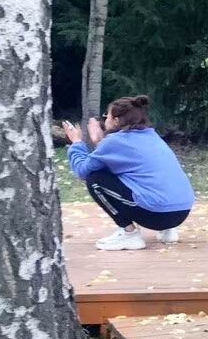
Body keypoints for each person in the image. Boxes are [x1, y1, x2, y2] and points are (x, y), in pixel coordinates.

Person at [61, 95, 196, 250]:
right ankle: (168, 231)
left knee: (95, 180)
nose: (104, 121)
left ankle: (129, 234)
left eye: (106, 117)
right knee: (144, 179)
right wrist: (100, 142)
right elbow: (123, 164)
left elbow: (82, 171)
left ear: (116, 121)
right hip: (181, 212)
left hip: (156, 215)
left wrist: (77, 143)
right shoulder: (152, 136)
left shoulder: (114, 142)